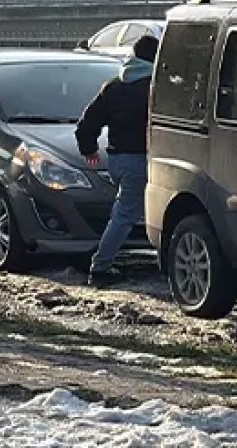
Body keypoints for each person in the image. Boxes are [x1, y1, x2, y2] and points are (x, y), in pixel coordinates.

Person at [75, 35, 158, 287]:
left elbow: (87, 123)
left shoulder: (113, 85)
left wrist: (89, 149)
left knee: (129, 211)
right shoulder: (154, 87)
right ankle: (100, 267)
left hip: (117, 159)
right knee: (125, 215)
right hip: (141, 159)